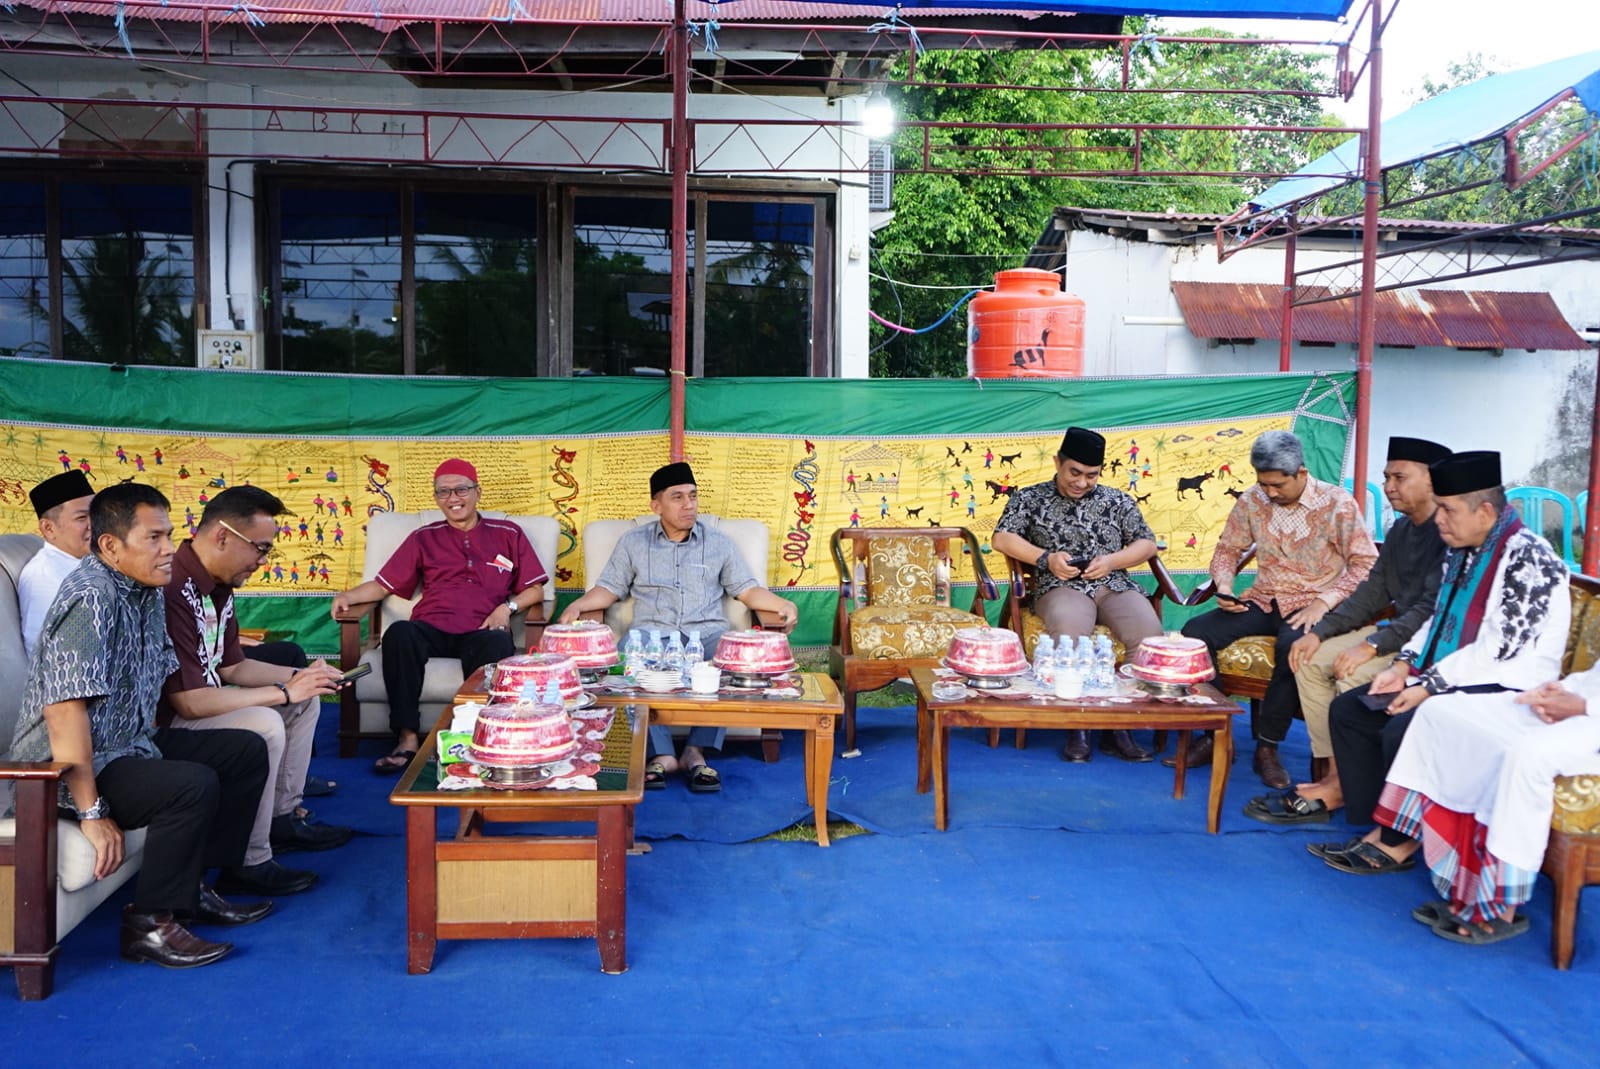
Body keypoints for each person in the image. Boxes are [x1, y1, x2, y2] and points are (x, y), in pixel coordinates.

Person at [1319, 452, 1583, 944]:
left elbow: (1501, 649)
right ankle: (1378, 824)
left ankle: (1398, 843)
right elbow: (1436, 621)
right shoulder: (1465, 549)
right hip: (1455, 674)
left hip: (1507, 685)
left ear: (1484, 511)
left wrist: (1428, 686)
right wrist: (1403, 667)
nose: (1438, 520)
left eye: (1448, 510)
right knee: (1352, 710)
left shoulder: (1528, 557)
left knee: (1409, 721)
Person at [7, 483, 273, 969]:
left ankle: (194, 889)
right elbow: (64, 713)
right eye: (154, 538)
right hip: (60, 770)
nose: (170, 548)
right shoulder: (89, 598)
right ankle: (149, 924)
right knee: (189, 785)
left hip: (127, 746)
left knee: (244, 750)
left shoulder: (144, 590)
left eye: (169, 535)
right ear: (110, 546)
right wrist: (92, 813)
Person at [159, 486, 351, 897]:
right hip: (166, 724)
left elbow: (234, 666)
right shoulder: (175, 587)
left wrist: (301, 676)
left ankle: (283, 818)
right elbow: (189, 702)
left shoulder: (218, 585)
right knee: (265, 721)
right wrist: (283, 692)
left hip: (200, 703)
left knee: (305, 699)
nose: (263, 562)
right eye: (260, 549)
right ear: (223, 536)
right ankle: (249, 859)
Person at [559, 461, 797, 792]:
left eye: (693, 496)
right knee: (630, 667)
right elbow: (610, 588)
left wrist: (781, 604)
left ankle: (696, 752)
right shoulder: (633, 543)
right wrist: (580, 604)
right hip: (651, 634)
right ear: (656, 505)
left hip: (708, 633)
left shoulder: (718, 543)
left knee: (730, 666)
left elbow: (746, 589)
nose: (689, 505)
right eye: (678, 497)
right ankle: (662, 755)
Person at [1248, 436, 1450, 824]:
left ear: (1431, 480)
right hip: (1401, 634)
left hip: (1428, 642)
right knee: (1306, 657)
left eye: (1399, 477)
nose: (1389, 487)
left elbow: (1432, 608)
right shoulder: (1402, 530)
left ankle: (1343, 784)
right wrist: (1320, 632)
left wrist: (1372, 644)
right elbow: (1373, 590)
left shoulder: (1449, 535)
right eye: (1387, 476)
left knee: (1350, 669)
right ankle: (1333, 776)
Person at [1176, 430, 1378, 789]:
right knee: (1195, 634)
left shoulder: (1337, 504)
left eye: (1277, 485)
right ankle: (1214, 734)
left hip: (1312, 606)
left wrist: (1324, 602)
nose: (1269, 492)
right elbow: (1227, 549)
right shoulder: (1253, 499)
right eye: (1262, 483)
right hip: (1264, 598)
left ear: (1301, 473)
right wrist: (1224, 586)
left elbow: (1365, 565)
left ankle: (1267, 748)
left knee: (1293, 648)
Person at [332, 459, 548, 773]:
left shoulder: (507, 533)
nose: (453, 498)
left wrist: (507, 608)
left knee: (496, 645)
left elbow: (536, 589)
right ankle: (407, 739)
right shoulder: (424, 537)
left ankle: (474, 739)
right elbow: (382, 585)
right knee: (400, 634)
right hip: (431, 627)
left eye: (461, 489)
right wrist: (348, 596)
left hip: (482, 628)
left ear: (477, 492)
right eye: (443, 492)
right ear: (436, 498)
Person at [992, 426, 1163, 763]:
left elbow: (1146, 543)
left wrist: (1112, 561)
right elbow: (1002, 538)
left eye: (1091, 475)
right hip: (1061, 586)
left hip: (1113, 584)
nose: (1082, 482)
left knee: (1149, 634)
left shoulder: (1117, 501)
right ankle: (1078, 725)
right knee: (1070, 632)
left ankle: (1119, 727)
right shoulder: (1030, 498)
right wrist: (1046, 559)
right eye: (1075, 472)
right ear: (1058, 462)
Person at [17, 469, 95, 659]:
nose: (94, 524)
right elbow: (50, 656)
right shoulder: (44, 576)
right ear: (48, 528)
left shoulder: (88, 563)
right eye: (82, 518)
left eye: (95, 514)